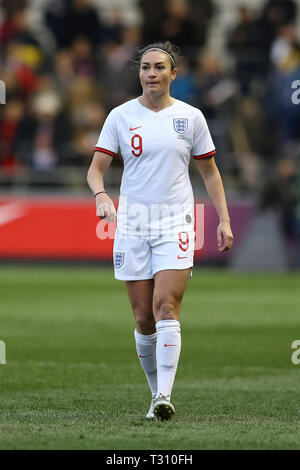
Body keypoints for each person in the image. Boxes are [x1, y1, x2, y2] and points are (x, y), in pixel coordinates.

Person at [87, 41, 233, 421]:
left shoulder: (191, 118)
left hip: (176, 223)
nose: (151, 73)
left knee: (166, 304)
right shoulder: (120, 116)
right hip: (132, 226)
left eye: (159, 68)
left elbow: (210, 173)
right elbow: (95, 169)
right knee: (142, 319)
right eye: (146, 67)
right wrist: (102, 196)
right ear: (139, 73)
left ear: (173, 74)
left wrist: (225, 220)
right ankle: (155, 395)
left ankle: (165, 396)